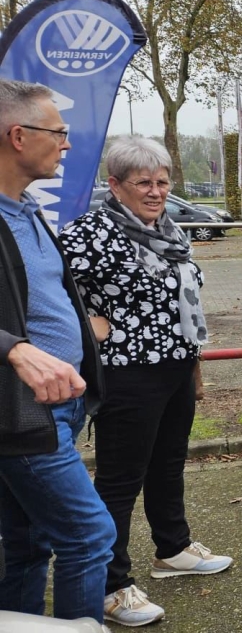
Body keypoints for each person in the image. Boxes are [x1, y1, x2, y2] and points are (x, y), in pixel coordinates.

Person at [60, 136, 232, 627]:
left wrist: (193, 366)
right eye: (143, 183)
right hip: (126, 371)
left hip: (175, 364)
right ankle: (110, 585)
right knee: (120, 479)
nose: (155, 192)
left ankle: (172, 549)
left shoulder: (171, 230)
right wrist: (85, 323)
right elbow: (43, 294)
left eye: (162, 182)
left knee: (168, 463)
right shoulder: (88, 235)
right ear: (114, 185)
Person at [0, 79, 116, 624]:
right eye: (59, 133)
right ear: (18, 136)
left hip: (60, 403)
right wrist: (14, 350)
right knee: (90, 535)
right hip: (22, 410)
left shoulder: (25, 210)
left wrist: (79, 330)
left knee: (26, 542)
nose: (67, 145)